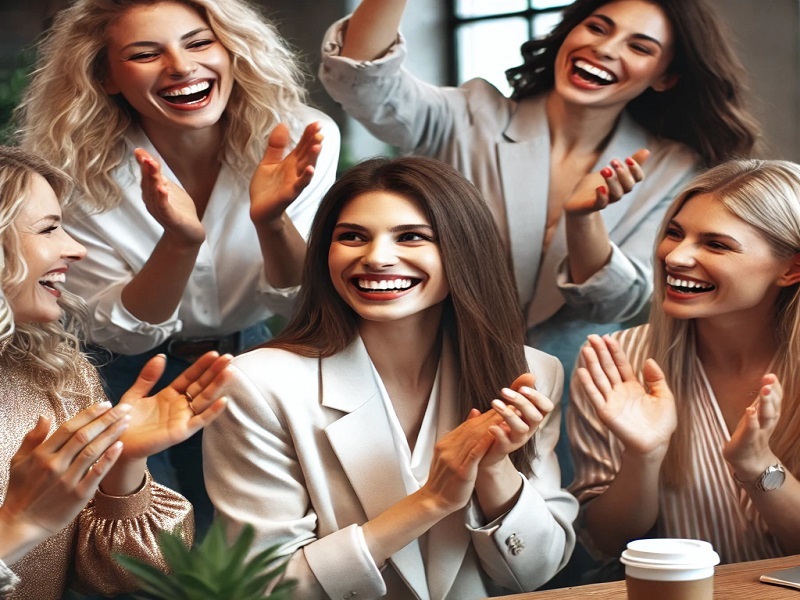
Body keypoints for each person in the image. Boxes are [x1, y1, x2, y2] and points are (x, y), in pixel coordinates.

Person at [319, 0, 759, 484]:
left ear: (664, 76)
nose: (605, 49)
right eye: (597, 27)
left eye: (638, 46)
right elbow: (362, 82)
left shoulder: (670, 165)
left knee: (562, 528)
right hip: (434, 361)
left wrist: (584, 218)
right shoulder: (473, 114)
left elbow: (619, 298)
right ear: (569, 33)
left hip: (572, 385)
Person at [16, 0, 340, 530]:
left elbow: (299, 301)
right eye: (146, 54)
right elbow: (119, 335)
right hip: (118, 375)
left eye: (198, 42)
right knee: (142, 547)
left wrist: (272, 220)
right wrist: (180, 241)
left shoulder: (301, 137)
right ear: (106, 76)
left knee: (246, 544)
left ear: (231, 49)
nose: (181, 67)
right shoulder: (68, 168)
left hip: (249, 358)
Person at [203, 156, 578, 599]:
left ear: (464, 252)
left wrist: (495, 471)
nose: (376, 257)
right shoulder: (258, 384)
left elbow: (535, 571)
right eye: (352, 237)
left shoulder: (531, 373)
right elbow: (261, 588)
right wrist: (430, 501)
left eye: (412, 237)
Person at [0, 146, 232, 599]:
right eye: (50, 228)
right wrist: (17, 524)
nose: (77, 249)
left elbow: (122, 579)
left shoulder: (58, 377)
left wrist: (123, 464)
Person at [569, 159, 800, 569]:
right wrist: (644, 455)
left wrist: (757, 466)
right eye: (674, 234)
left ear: (791, 268)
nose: (675, 257)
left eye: (715, 244)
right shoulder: (620, 363)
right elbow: (607, 541)